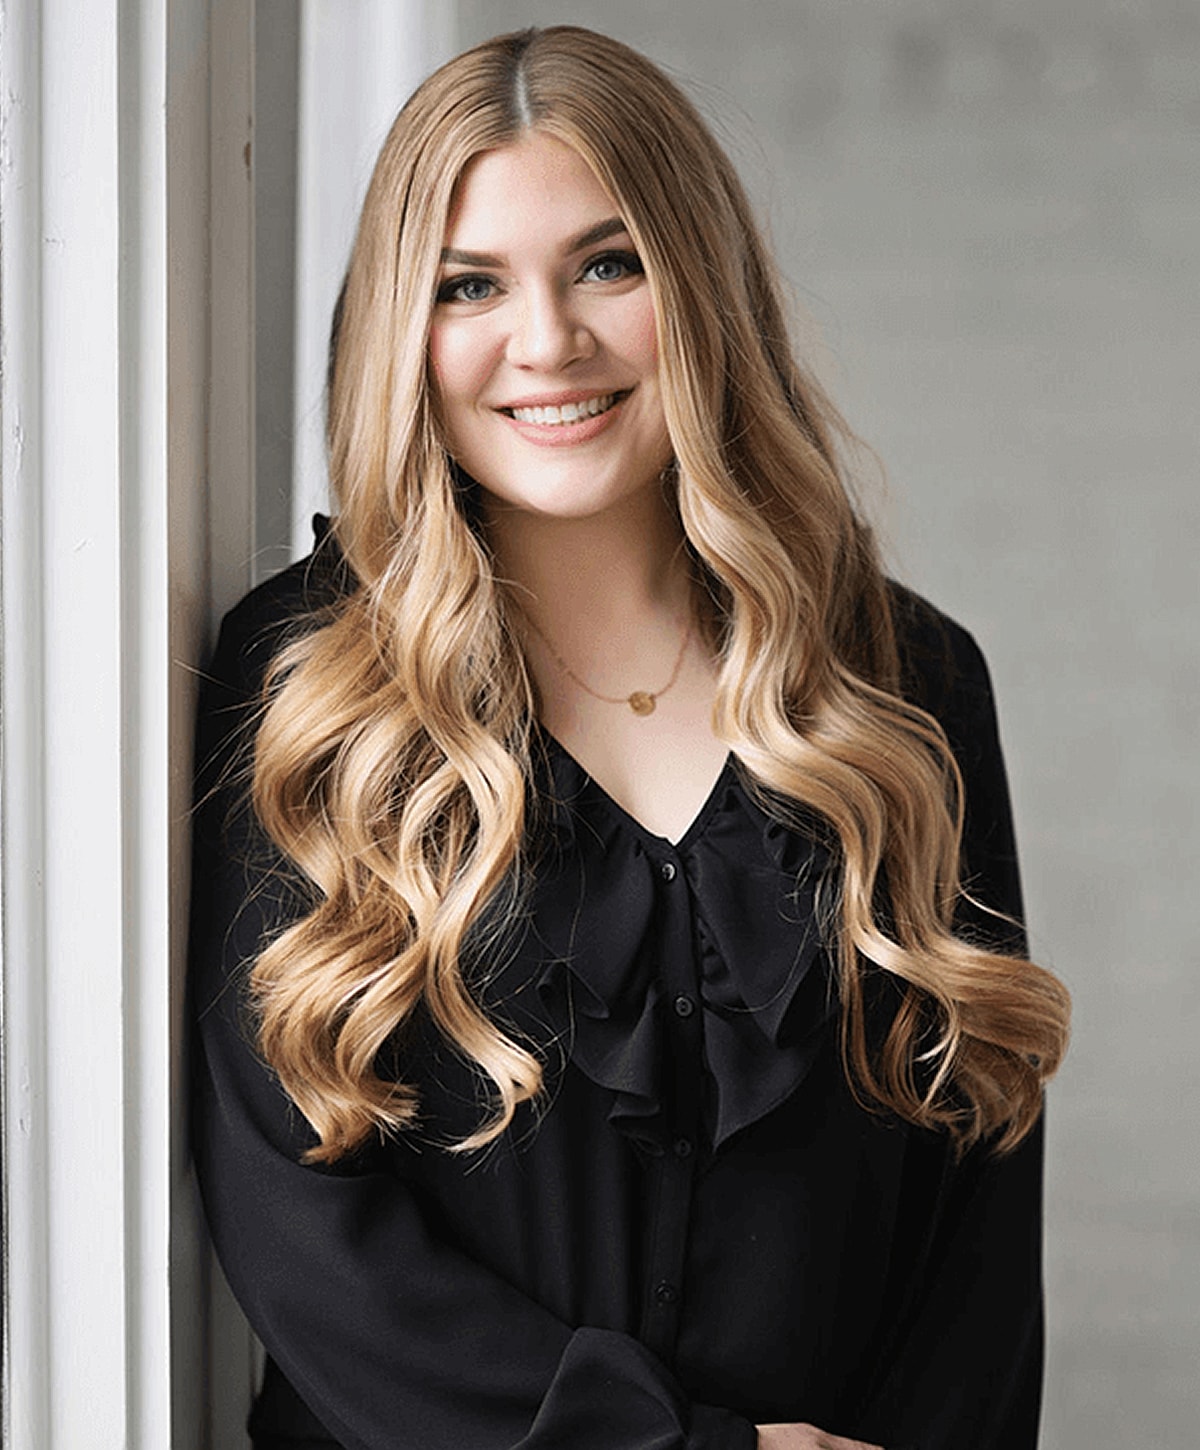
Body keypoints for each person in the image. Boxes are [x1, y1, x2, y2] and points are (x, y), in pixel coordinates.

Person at [189, 25, 1071, 1450]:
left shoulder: (909, 683)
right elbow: (292, 1216)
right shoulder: (308, 682)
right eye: (471, 284)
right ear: (400, 327)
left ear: (701, 288)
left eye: (609, 264)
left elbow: (975, 1215)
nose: (549, 341)